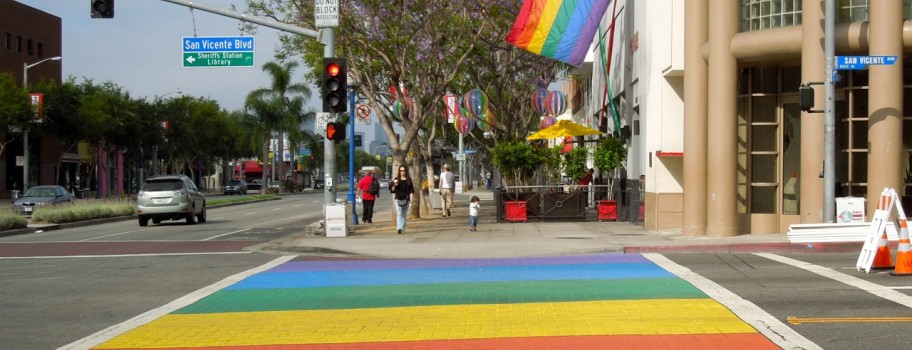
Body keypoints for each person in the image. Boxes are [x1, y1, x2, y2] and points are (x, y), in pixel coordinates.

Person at [390, 165, 415, 234]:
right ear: (399, 171)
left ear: (406, 171)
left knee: (404, 214)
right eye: (401, 171)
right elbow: (392, 190)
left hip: (406, 199)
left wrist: (411, 201)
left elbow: (411, 191)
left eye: (403, 170)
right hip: (398, 199)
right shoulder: (396, 179)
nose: (402, 172)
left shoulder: (408, 180)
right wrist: (394, 185)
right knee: (399, 213)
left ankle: (403, 227)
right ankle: (399, 228)